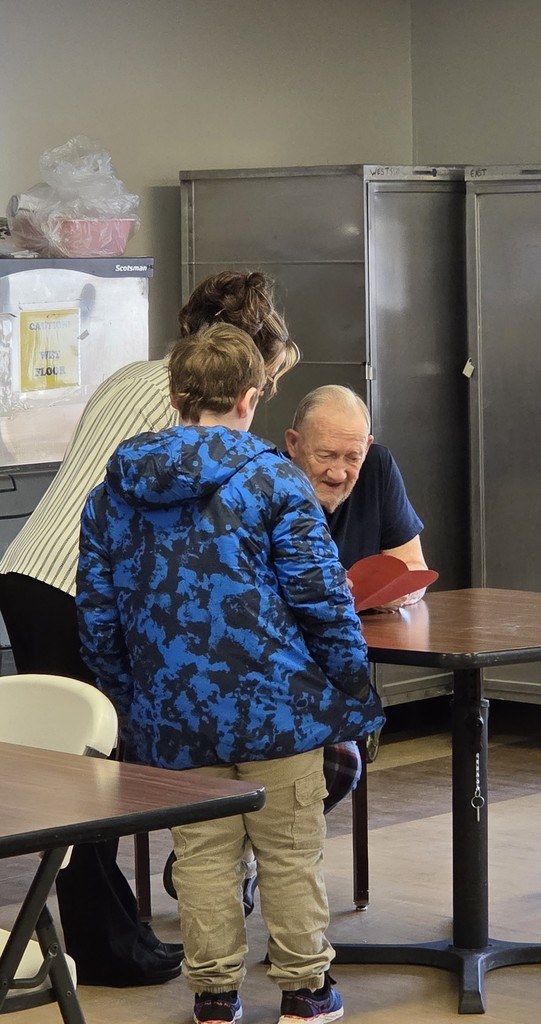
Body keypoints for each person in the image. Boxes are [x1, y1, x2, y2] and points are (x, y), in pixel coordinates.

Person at [75, 323, 385, 1024]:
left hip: (173, 714)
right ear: (252, 395)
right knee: (287, 853)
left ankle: (214, 998)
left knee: (204, 858)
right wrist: (353, 693)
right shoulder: (273, 478)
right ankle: (306, 992)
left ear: (175, 394)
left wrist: (136, 701)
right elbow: (321, 599)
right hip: (279, 709)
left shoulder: (113, 490)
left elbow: (97, 617)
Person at [0, 270, 298, 987]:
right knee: (95, 776)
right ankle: (109, 947)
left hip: (29, 569)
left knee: (87, 767)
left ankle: (120, 926)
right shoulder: (199, 416)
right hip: (80, 585)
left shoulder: (134, 375)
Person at [286, 383, 429, 803]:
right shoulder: (268, 480)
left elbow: (414, 568)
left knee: (342, 759)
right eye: (325, 456)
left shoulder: (378, 468)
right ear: (293, 444)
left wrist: (386, 592)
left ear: (368, 447)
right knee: (336, 760)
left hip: (345, 664)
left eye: (352, 457)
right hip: (291, 668)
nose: (339, 472)